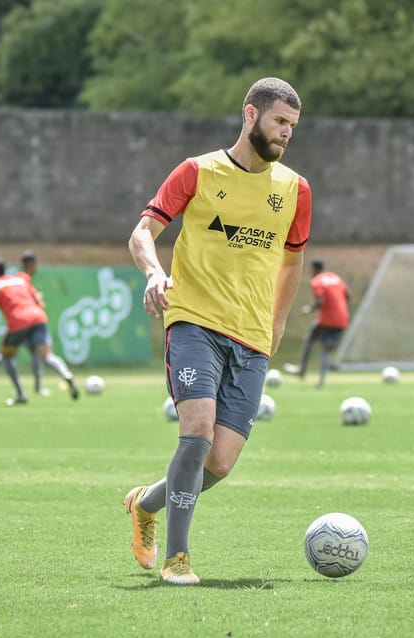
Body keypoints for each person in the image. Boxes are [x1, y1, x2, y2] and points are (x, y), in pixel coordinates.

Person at [123, 77, 312, 585]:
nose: (286, 134)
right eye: (279, 122)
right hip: (194, 323)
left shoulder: (295, 190)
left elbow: (292, 265)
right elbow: (143, 231)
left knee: (221, 463)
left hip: (252, 336)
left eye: (292, 127)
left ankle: (145, 503)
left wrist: (277, 321)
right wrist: (155, 273)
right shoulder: (197, 172)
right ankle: (177, 559)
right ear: (250, 115)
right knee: (198, 432)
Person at [0, 258, 80, 405]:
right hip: (38, 318)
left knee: (6, 357)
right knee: (47, 356)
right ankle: (66, 374)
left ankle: (20, 394)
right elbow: (38, 299)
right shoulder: (21, 279)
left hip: (18, 322)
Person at [0, 250, 49, 395]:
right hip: (28, 323)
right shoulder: (21, 279)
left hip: (22, 324)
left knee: (10, 355)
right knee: (15, 355)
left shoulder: (8, 282)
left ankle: (30, 390)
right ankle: (35, 389)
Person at [296, 259, 350, 388]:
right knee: (324, 349)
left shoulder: (317, 281)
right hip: (342, 319)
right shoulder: (335, 278)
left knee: (310, 340)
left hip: (327, 320)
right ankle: (320, 380)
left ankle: (302, 371)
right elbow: (348, 295)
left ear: (314, 269)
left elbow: (320, 301)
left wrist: (309, 310)